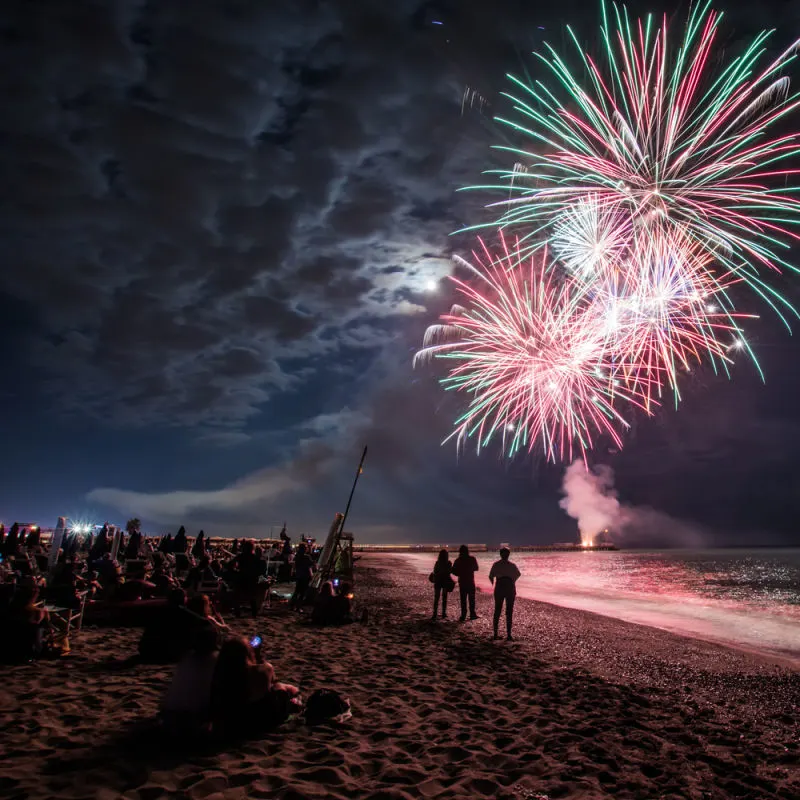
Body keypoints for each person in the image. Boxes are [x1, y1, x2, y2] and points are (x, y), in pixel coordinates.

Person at [209, 637, 299, 737]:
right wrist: (257, 657)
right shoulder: (261, 670)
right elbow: (270, 676)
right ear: (247, 653)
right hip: (256, 721)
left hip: (230, 723)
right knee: (280, 688)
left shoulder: (220, 674)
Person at [489, 547, 521, 640]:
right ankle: (509, 634)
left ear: (500, 554)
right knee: (509, 611)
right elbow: (518, 574)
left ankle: (495, 634)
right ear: (508, 555)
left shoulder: (496, 564)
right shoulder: (512, 565)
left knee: (497, 610)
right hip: (509, 587)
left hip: (499, 586)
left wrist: (493, 584)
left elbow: (491, 576)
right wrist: (513, 581)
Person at [451, 544, 479, 622]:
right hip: (470, 581)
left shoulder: (458, 560)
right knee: (471, 598)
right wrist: (469, 569)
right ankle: (472, 614)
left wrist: (460, 572)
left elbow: (453, 571)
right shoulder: (472, 559)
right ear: (467, 551)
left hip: (462, 581)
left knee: (463, 599)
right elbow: (476, 568)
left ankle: (463, 615)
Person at [289, 543, 313, 611]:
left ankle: (292, 605)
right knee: (302, 593)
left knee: (297, 591)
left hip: (299, 575)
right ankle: (298, 607)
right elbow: (311, 564)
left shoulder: (297, 556)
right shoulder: (306, 557)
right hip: (305, 576)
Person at [431, 549, 453, 620]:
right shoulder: (449, 563)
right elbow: (449, 572)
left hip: (438, 582)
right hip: (445, 582)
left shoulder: (437, 563)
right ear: (447, 555)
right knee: (444, 598)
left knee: (436, 598)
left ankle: (434, 614)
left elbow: (434, 571)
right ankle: (443, 613)